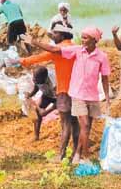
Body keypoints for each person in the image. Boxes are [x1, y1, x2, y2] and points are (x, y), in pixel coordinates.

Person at [29, 27, 110, 165]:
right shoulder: (77, 50)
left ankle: (77, 153)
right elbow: (54, 50)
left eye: (85, 38)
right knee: (83, 124)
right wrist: (35, 42)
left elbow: (105, 78)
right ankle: (85, 157)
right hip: (77, 94)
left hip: (92, 96)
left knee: (86, 127)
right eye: (82, 37)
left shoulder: (102, 57)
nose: (82, 40)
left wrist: (107, 98)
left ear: (94, 40)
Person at [21, 23, 79, 161]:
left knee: (65, 124)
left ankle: (61, 155)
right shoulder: (76, 47)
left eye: (55, 34)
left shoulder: (59, 50)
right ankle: (76, 153)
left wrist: (23, 60)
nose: (53, 36)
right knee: (75, 123)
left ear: (63, 35)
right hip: (77, 91)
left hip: (64, 91)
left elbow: (41, 56)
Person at [24, 66, 57, 141]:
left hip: (59, 98)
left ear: (45, 78)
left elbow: (59, 102)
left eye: (36, 79)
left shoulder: (54, 83)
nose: (34, 80)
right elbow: (37, 87)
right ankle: (36, 136)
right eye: (34, 78)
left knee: (66, 118)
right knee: (37, 113)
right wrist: (30, 94)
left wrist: (47, 111)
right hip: (47, 94)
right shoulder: (37, 78)